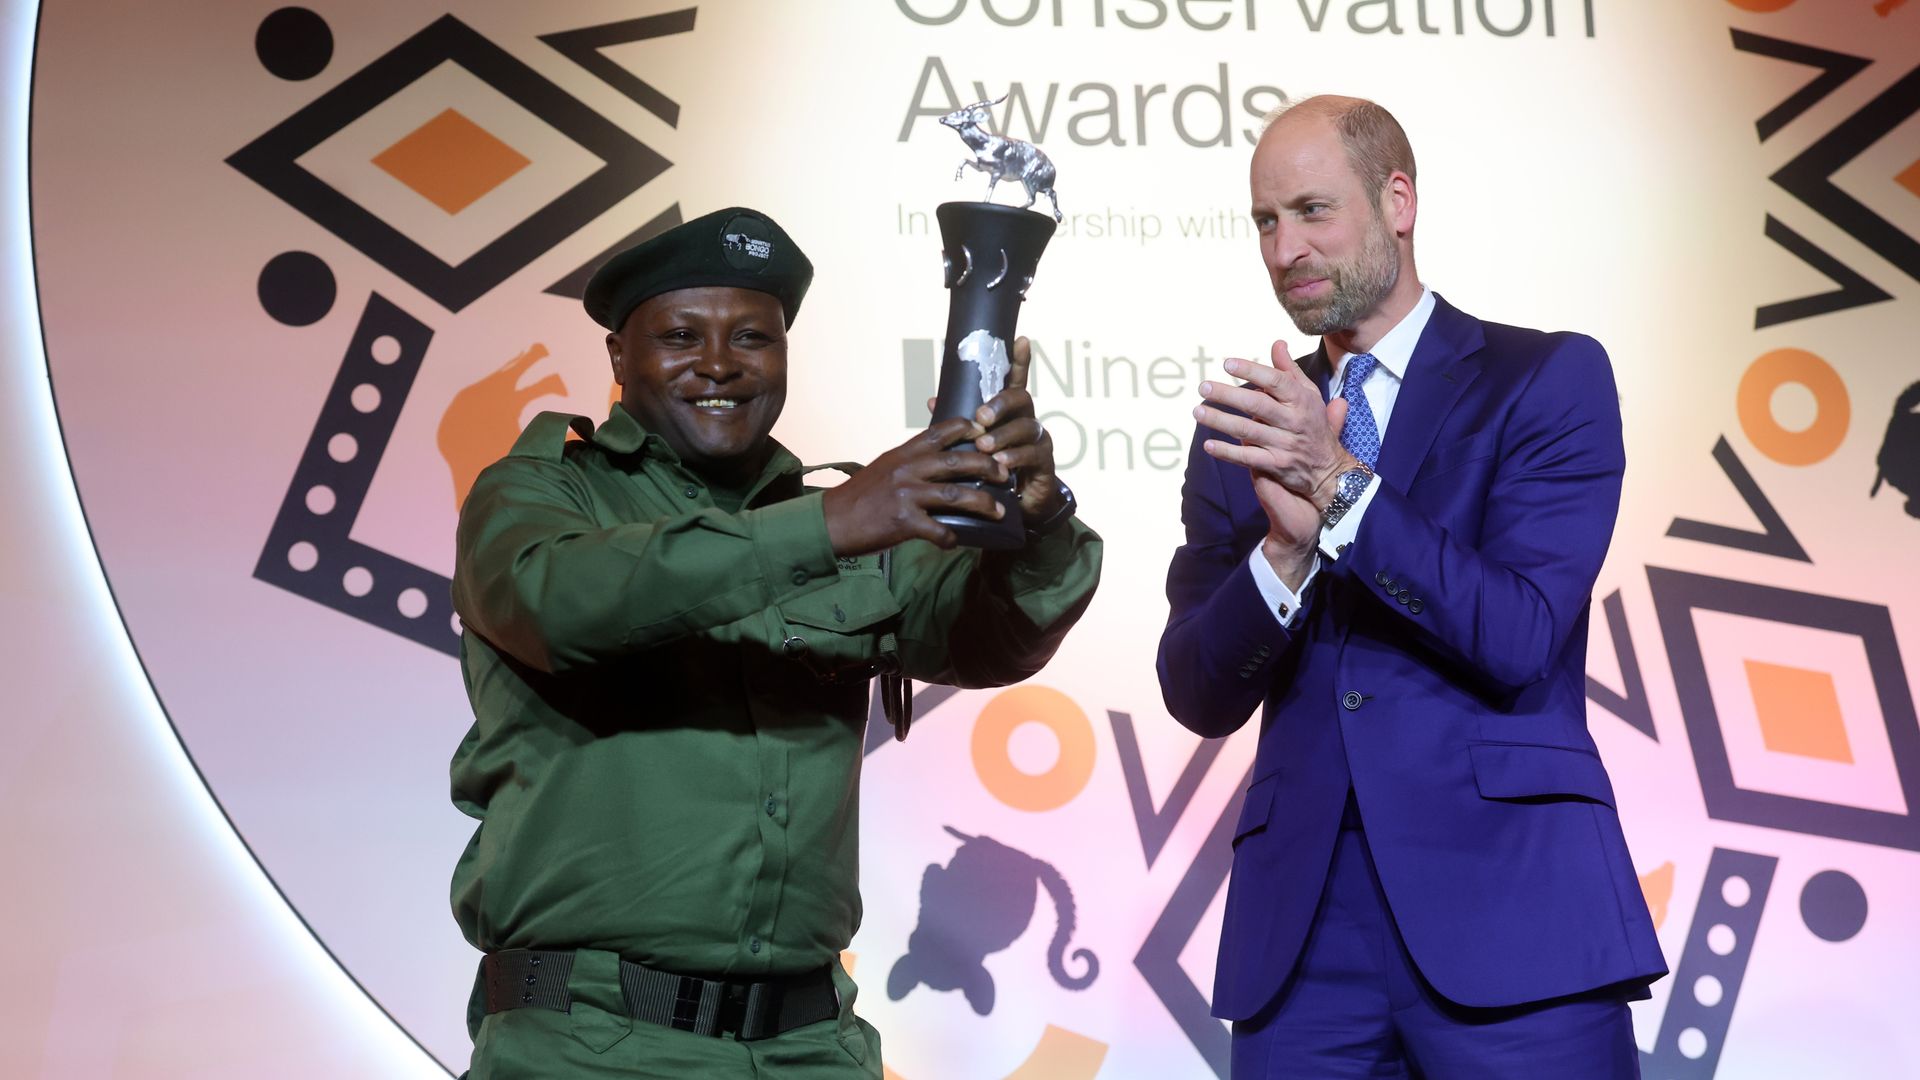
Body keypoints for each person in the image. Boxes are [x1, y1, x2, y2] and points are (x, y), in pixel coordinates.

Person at [449, 206, 1101, 1079]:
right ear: (617, 358)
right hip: (594, 1046)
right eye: (682, 335)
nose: (718, 364)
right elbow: (558, 602)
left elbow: (989, 643)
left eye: (752, 337)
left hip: (810, 1044)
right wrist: (829, 524)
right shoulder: (541, 495)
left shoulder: (846, 515)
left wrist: (1039, 519)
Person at [1157, 96, 1665, 1077]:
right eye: (1265, 221)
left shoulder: (1545, 378)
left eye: (1311, 210)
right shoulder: (1252, 430)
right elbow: (1196, 689)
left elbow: (1519, 632)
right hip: (1303, 940)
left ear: (1398, 201)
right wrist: (1287, 553)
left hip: (1515, 912)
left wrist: (1337, 486)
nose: (1285, 248)